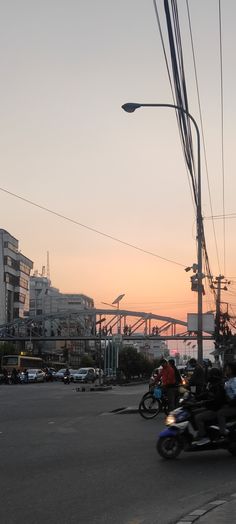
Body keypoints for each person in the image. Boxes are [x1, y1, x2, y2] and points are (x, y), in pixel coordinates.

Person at [192, 367, 225, 445]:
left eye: (210, 374)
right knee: (193, 413)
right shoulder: (213, 385)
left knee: (198, 417)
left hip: (215, 409)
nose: (209, 376)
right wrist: (196, 397)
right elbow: (206, 394)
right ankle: (202, 431)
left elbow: (215, 400)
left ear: (214, 376)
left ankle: (203, 436)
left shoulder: (218, 386)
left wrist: (203, 402)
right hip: (210, 407)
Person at [217, 362, 236, 437]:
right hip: (230, 404)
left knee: (220, 413)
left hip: (233, 406)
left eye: (227, 369)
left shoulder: (234, 381)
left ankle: (223, 434)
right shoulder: (228, 380)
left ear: (232, 370)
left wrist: (229, 404)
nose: (226, 371)